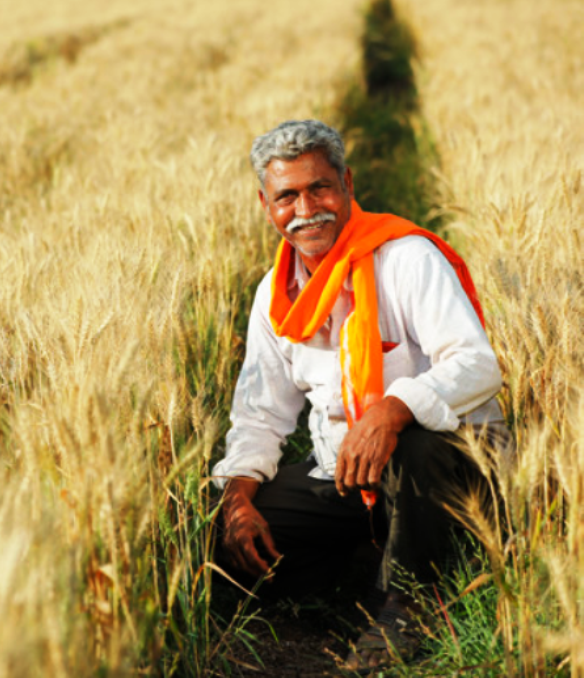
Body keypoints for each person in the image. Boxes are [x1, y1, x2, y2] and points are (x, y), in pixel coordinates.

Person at [212, 119, 506, 671]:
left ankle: (408, 605)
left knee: (410, 441)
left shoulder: (406, 259)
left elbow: (477, 365)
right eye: (287, 196)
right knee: (228, 530)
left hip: (446, 469)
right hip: (347, 473)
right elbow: (260, 413)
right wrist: (237, 499)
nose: (307, 208)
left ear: (346, 182)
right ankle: (362, 563)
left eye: (320, 187)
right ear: (265, 204)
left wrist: (393, 410)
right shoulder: (273, 296)